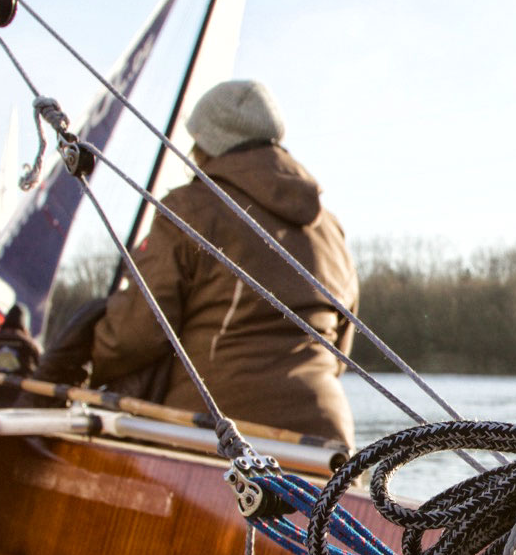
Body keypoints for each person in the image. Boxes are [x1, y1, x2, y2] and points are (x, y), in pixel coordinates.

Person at [90, 79, 359, 447]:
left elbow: (137, 333)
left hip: (213, 435)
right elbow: (340, 348)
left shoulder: (188, 209)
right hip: (325, 440)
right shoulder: (330, 227)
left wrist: (83, 361)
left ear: (205, 145)